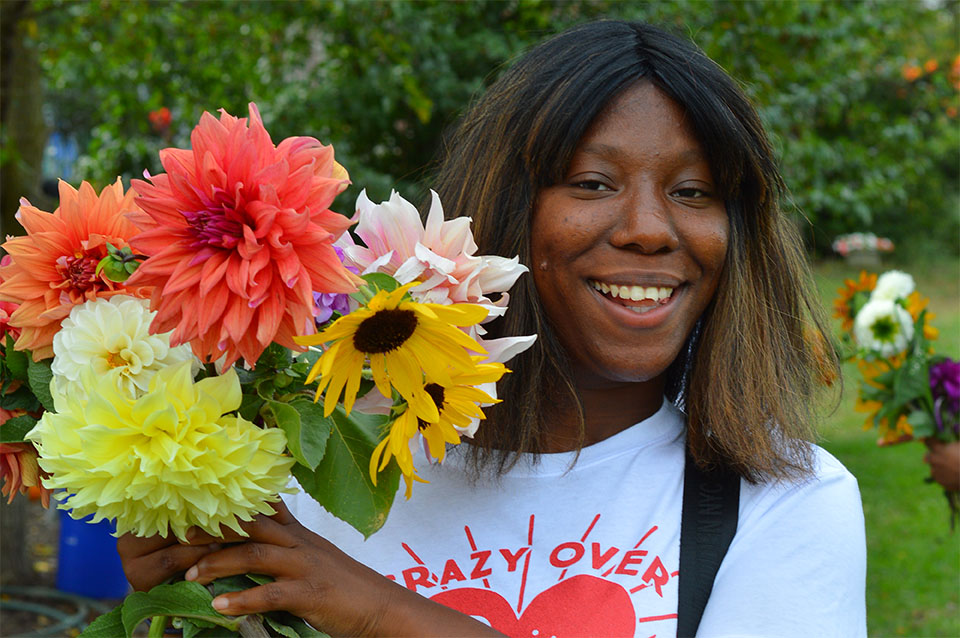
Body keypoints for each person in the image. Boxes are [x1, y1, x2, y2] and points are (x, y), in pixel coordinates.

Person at [118, 20, 867, 637]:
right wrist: (190, 599)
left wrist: (382, 614)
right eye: (593, 183)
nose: (649, 229)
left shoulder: (780, 502)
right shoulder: (311, 475)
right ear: (506, 212)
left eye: (694, 191)